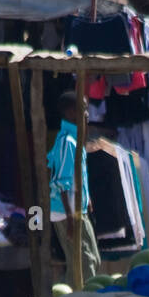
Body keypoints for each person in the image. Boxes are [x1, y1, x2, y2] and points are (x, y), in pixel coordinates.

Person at [48, 90, 100, 285]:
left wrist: (88, 200)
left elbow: (79, 176)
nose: (86, 113)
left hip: (77, 210)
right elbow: (61, 184)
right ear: (70, 113)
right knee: (84, 263)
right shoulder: (66, 143)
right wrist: (71, 219)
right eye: (82, 109)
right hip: (67, 213)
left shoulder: (75, 140)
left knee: (90, 258)